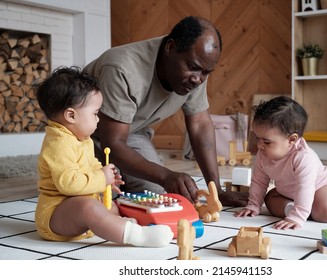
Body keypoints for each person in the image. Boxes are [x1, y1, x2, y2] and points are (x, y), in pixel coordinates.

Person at [83, 16, 248, 207]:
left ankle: (120, 182)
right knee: (94, 199)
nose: (198, 79)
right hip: (85, 137)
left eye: (205, 72)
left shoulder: (196, 69)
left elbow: (200, 125)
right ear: (170, 48)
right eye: (193, 68)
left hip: (130, 132)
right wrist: (166, 175)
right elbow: (112, 143)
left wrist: (216, 190)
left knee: (157, 194)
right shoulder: (122, 68)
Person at [34, 66, 173, 247]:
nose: (98, 119)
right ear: (71, 115)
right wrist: (101, 177)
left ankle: (124, 226)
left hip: (78, 207)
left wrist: (107, 178)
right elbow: (69, 184)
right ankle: (137, 236)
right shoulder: (58, 144)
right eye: (95, 114)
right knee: (89, 208)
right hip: (55, 215)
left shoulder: (82, 139)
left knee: (112, 206)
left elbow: (91, 167)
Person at [234, 96, 327, 229]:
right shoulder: (263, 154)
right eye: (257, 138)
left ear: (292, 140)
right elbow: (259, 181)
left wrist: (298, 217)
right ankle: (297, 209)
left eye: (266, 142)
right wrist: (253, 205)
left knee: (323, 212)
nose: (260, 145)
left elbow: (305, 186)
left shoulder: (303, 157)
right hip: (291, 193)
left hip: (322, 188)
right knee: (269, 198)